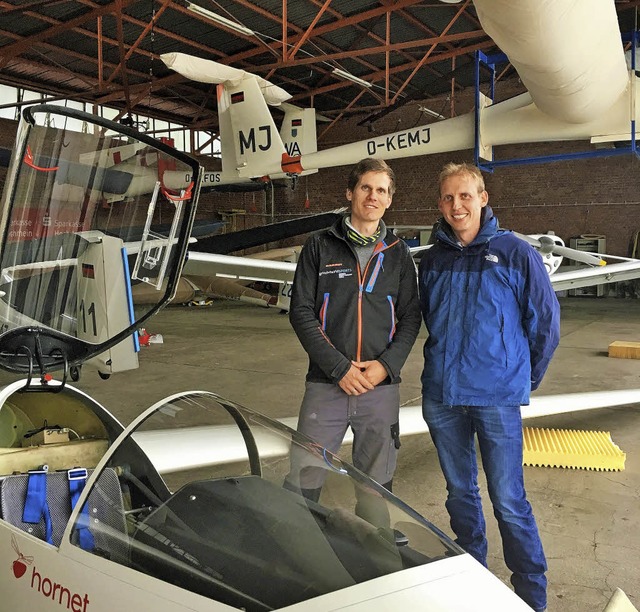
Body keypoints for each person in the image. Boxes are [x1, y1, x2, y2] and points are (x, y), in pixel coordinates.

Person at [418, 162, 560, 612]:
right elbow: (421, 319)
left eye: (465, 196)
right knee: (460, 493)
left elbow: (545, 326)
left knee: (509, 500)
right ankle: (471, 577)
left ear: (483, 198)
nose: (456, 206)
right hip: (442, 398)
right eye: (448, 198)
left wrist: (521, 378)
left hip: (496, 399)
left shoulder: (516, 253)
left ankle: (531, 596)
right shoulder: (432, 260)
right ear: (440, 204)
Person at [285, 157, 421, 510]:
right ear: (350, 193)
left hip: (380, 388)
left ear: (389, 199)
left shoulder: (398, 253)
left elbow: (409, 317)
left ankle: (375, 549)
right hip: (326, 384)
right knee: (304, 477)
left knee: (377, 485)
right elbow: (300, 312)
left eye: (381, 190)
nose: (372, 196)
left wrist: (386, 367)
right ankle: (297, 551)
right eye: (365, 187)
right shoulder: (319, 247)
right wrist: (338, 368)